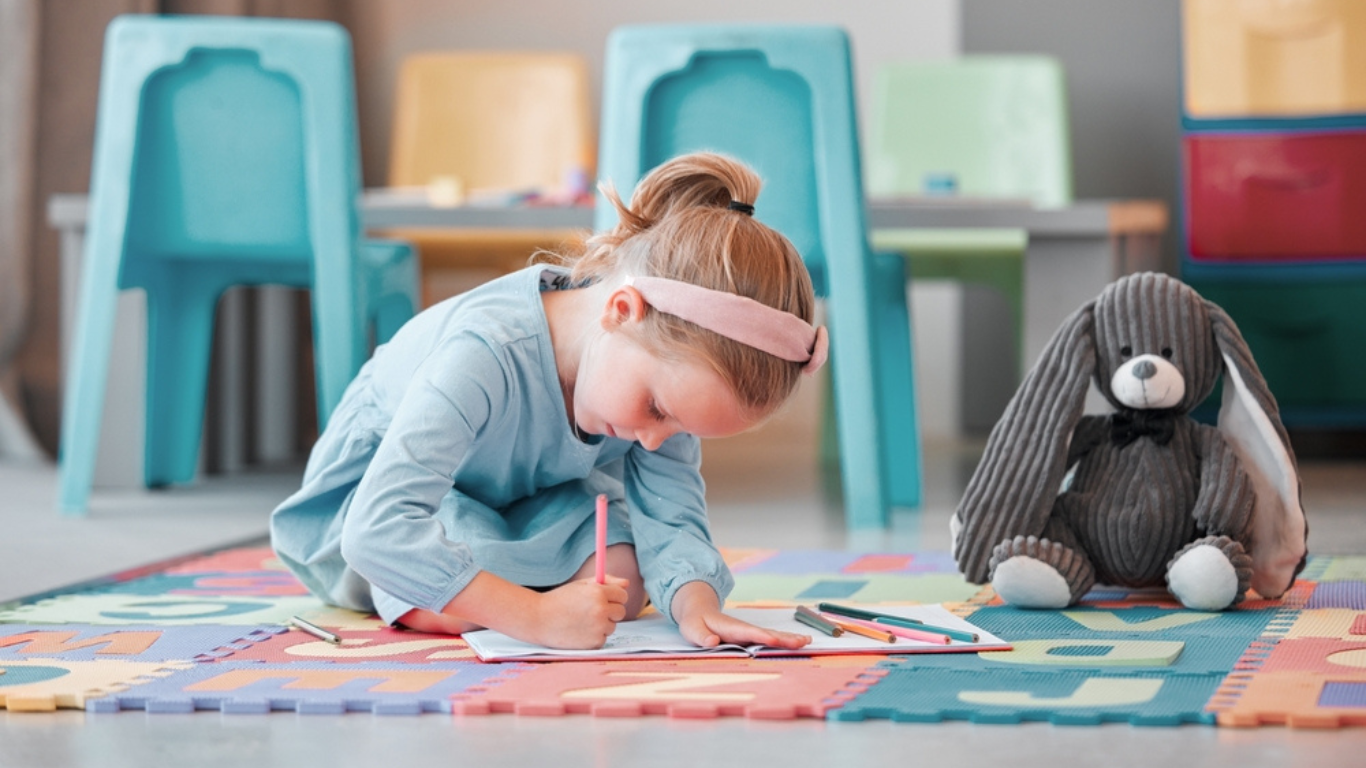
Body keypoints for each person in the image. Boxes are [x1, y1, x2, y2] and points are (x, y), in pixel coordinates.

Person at [270, 152, 825, 651]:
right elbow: (377, 530)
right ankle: (503, 595)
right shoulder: (484, 351)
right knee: (430, 572)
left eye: (681, 428)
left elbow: (671, 512)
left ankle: (509, 587)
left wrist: (698, 606)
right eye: (657, 410)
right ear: (622, 311)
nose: (656, 440)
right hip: (387, 504)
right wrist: (533, 616)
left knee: (623, 577)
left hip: (526, 497)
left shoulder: (653, 376)